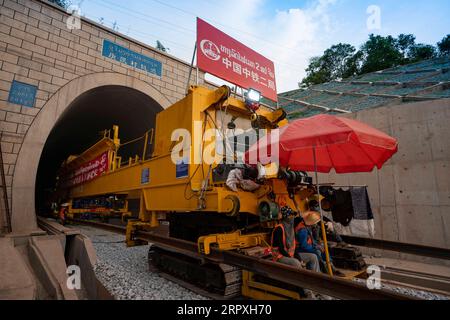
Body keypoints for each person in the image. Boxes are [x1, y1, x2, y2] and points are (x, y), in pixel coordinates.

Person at [295, 211, 345, 277]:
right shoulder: (302, 230)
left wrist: (318, 246)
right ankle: (324, 269)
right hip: (300, 249)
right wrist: (315, 247)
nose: (316, 224)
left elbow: (312, 240)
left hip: (308, 246)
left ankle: (332, 268)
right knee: (317, 252)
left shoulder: (307, 227)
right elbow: (304, 246)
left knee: (324, 249)